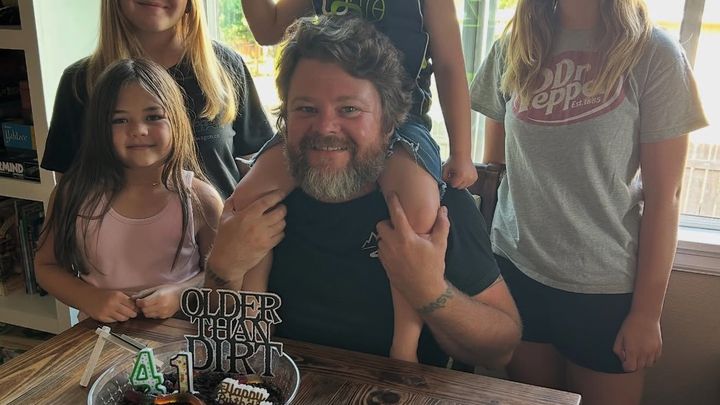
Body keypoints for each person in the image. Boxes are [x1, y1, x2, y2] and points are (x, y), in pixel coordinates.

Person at [205, 16, 521, 369]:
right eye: (306, 109)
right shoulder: (262, 202)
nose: (325, 127)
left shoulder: (438, 204)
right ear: (285, 118)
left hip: (391, 388)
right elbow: (218, 341)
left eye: (350, 110)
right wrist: (220, 270)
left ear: (389, 122)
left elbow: (500, 349)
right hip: (279, 384)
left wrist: (430, 290)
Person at [470, 0, 708, 403]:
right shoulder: (514, 46)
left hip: (605, 290)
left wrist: (646, 314)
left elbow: (665, 198)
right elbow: (497, 169)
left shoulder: (655, 53)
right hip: (517, 273)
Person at [35, 58, 224, 323]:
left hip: (180, 340)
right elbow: (46, 266)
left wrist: (182, 293)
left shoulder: (201, 199)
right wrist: (88, 297)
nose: (138, 130)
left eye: (153, 117)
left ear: (177, 120)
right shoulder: (72, 194)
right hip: (98, 339)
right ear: (99, 127)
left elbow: (221, 274)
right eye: (120, 120)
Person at [41, 0, 273, 199]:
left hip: (222, 234)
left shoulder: (226, 66)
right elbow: (68, 192)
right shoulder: (80, 82)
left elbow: (256, 166)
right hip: (122, 240)